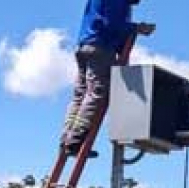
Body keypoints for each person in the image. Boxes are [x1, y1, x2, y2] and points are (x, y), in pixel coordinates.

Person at [62, 0, 156, 158]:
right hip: (101, 48)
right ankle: (75, 140)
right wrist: (137, 28)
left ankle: (67, 136)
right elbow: (112, 24)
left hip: (85, 44)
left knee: (80, 95)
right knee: (95, 93)